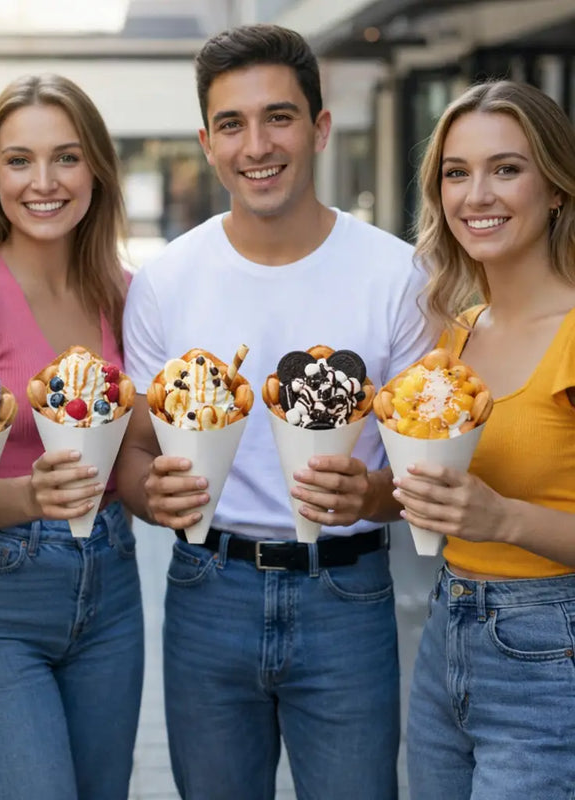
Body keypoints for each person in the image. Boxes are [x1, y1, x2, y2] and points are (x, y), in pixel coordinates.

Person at [117, 23, 437, 800]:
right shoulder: (165, 282)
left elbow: (429, 468)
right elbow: (134, 453)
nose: (257, 145)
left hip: (347, 594)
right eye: (232, 124)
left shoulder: (398, 275)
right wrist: (148, 496)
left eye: (279, 117)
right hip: (208, 589)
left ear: (320, 128)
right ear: (207, 143)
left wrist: (372, 493)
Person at [0, 74, 143, 800]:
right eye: (19, 160)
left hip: (113, 587)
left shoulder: (124, 291)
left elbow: (138, 448)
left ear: (97, 170)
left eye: (66, 157)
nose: (44, 182)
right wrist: (30, 497)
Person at [398, 80, 575, 799]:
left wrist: (502, 518)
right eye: (456, 172)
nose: (477, 195)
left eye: (506, 168)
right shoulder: (458, 335)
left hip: (551, 651)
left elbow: (491, 513)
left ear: (556, 188)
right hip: (448, 631)